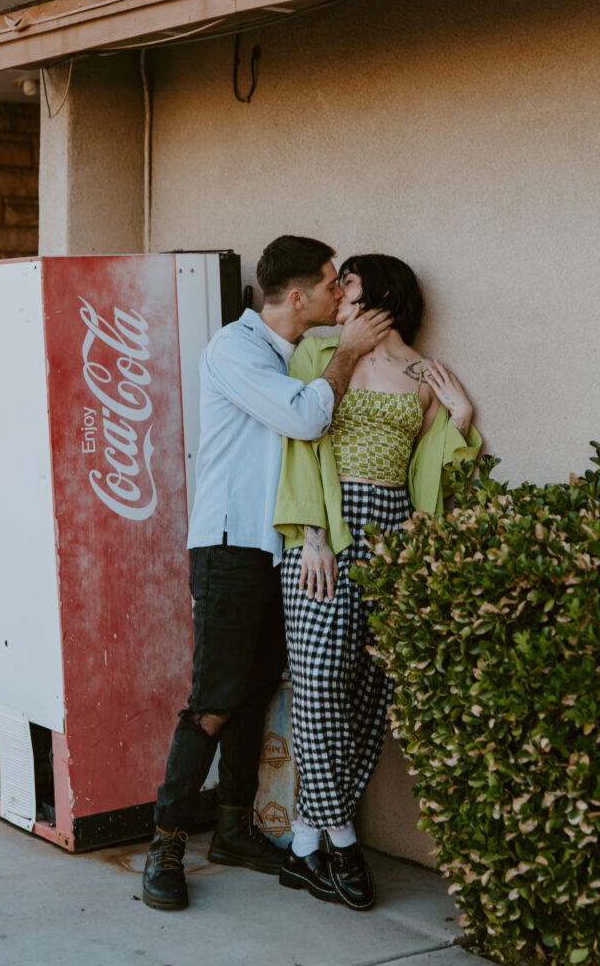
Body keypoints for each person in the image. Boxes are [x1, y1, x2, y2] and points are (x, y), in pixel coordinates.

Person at [142, 236, 393, 911]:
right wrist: (347, 353)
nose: (340, 293)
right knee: (216, 701)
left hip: (276, 553)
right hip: (229, 548)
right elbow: (308, 419)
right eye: (330, 284)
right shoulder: (237, 348)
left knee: (254, 694)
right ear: (295, 297)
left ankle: (233, 830)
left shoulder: (296, 354)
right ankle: (163, 843)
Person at [273, 253, 482, 910]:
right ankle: (340, 834)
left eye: (349, 281)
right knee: (317, 682)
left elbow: (427, 472)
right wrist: (312, 534)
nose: (337, 291)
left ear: (381, 292)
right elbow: (300, 444)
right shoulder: (317, 355)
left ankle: (304, 842)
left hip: (391, 533)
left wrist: (460, 421)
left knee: (368, 687)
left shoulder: (424, 373)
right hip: (324, 537)